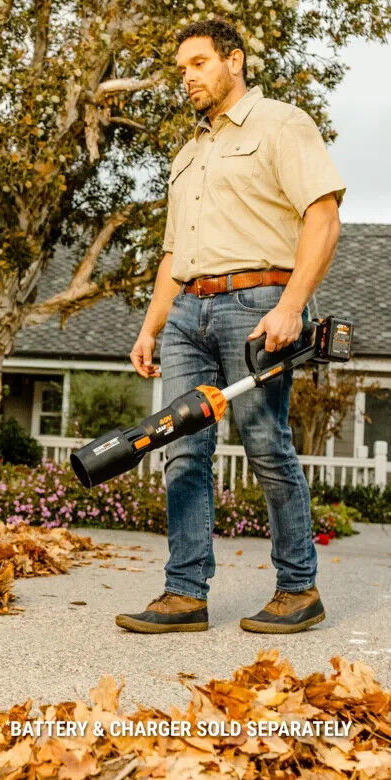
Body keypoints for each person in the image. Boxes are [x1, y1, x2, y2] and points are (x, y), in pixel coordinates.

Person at [115, 19, 345, 634]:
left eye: (197, 63)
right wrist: (149, 326)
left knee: (267, 444)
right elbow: (173, 254)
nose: (185, 77)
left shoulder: (281, 124)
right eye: (181, 68)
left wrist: (293, 304)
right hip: (187, 313)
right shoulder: (189, 153)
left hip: (257, 305)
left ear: (234, 61)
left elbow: (322, 217)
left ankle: (299, 589)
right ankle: (184, 593)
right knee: (182, 449)